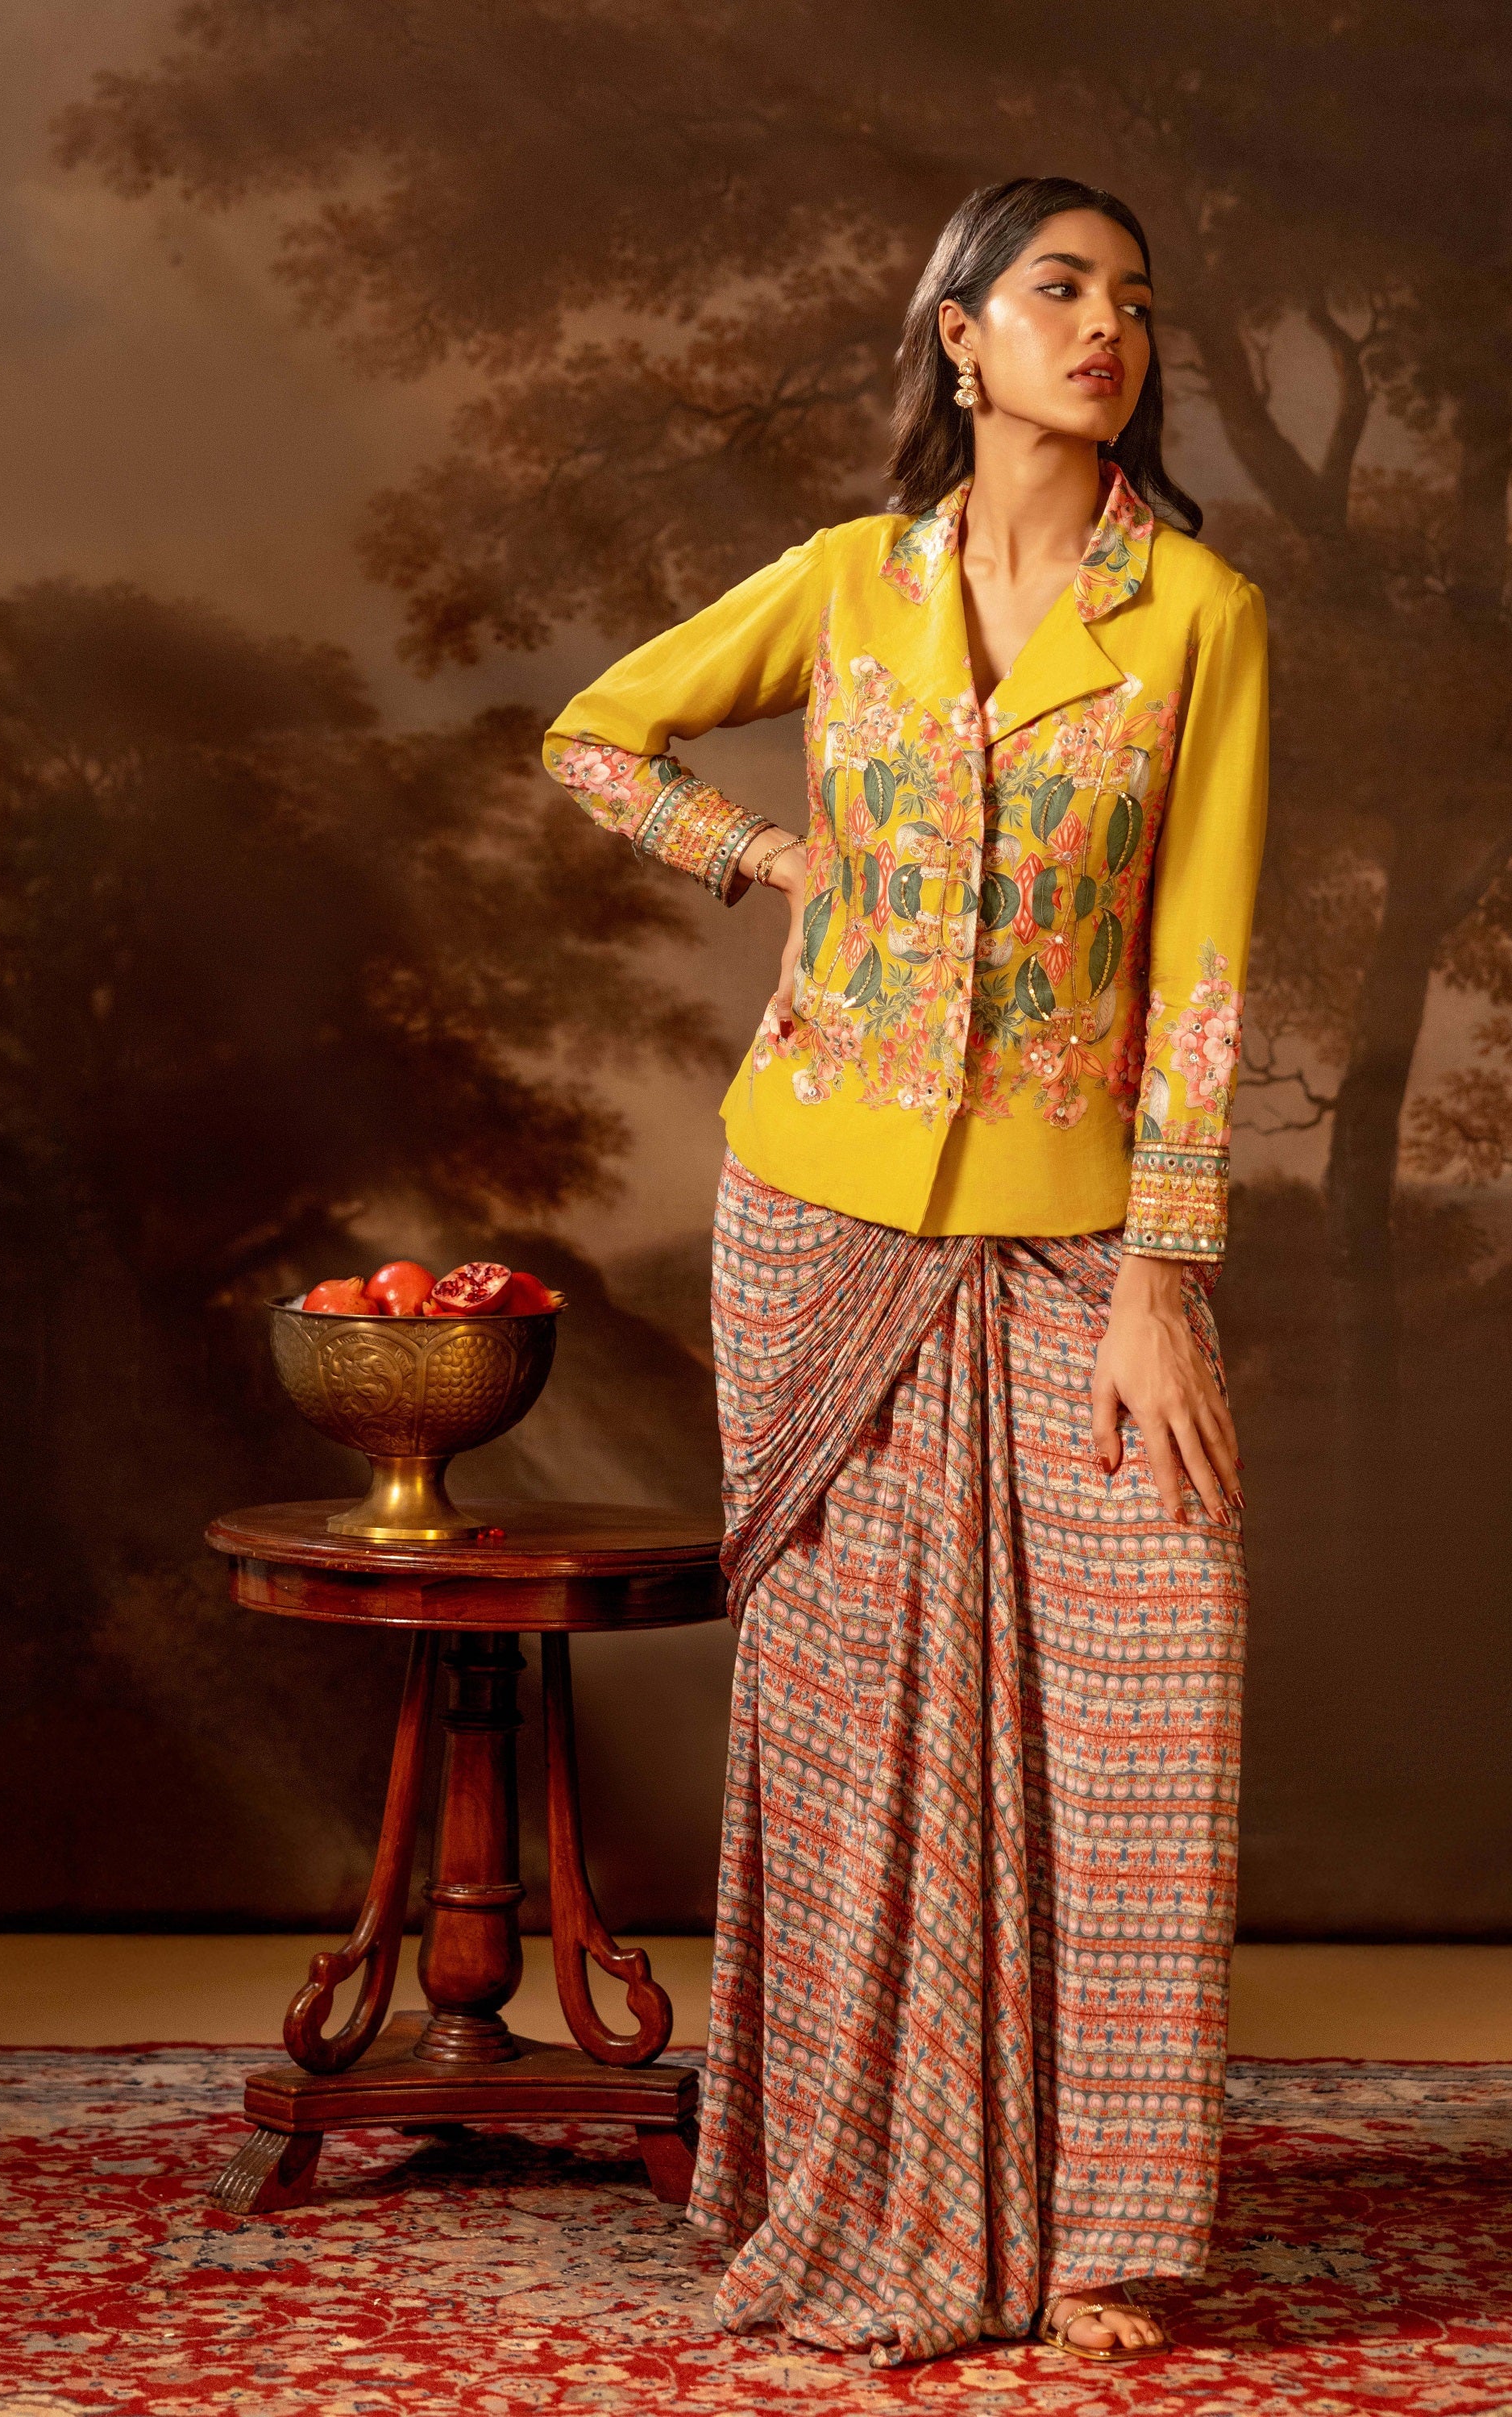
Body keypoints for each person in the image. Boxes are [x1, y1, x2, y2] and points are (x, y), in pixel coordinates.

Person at [545, 174, 1266, 2369]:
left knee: (1149, 1694)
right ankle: (874, 2184)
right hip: (818, 1214)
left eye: (1135, 300)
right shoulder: (849, 582)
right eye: (1059, 288)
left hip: (1077, 1233)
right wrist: (763, 855)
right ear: (960, 335)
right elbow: (594, 737)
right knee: (855, 1728)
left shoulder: (1199, 615)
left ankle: (1104, 2224)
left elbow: (1202, 970)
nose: (1106, 326)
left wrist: (1164, 1277)